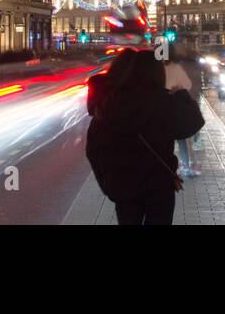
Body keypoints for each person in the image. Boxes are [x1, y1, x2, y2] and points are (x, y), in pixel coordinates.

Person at [85, 48, 204, 225]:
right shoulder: (162, 102)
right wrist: (181, 94)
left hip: (122, 187)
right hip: (158, 186)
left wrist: (108, 184)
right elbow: (192, 124)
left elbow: (93, 150)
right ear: (155, 73)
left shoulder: (107, 105)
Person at [171, 42, 204, 178]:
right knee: (183, 137)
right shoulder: (194, 66)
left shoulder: (178, 67)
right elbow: (196, 84)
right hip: (189, 102)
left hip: (180, 103)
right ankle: (188, 164)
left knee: (180, 138)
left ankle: (186, 164)